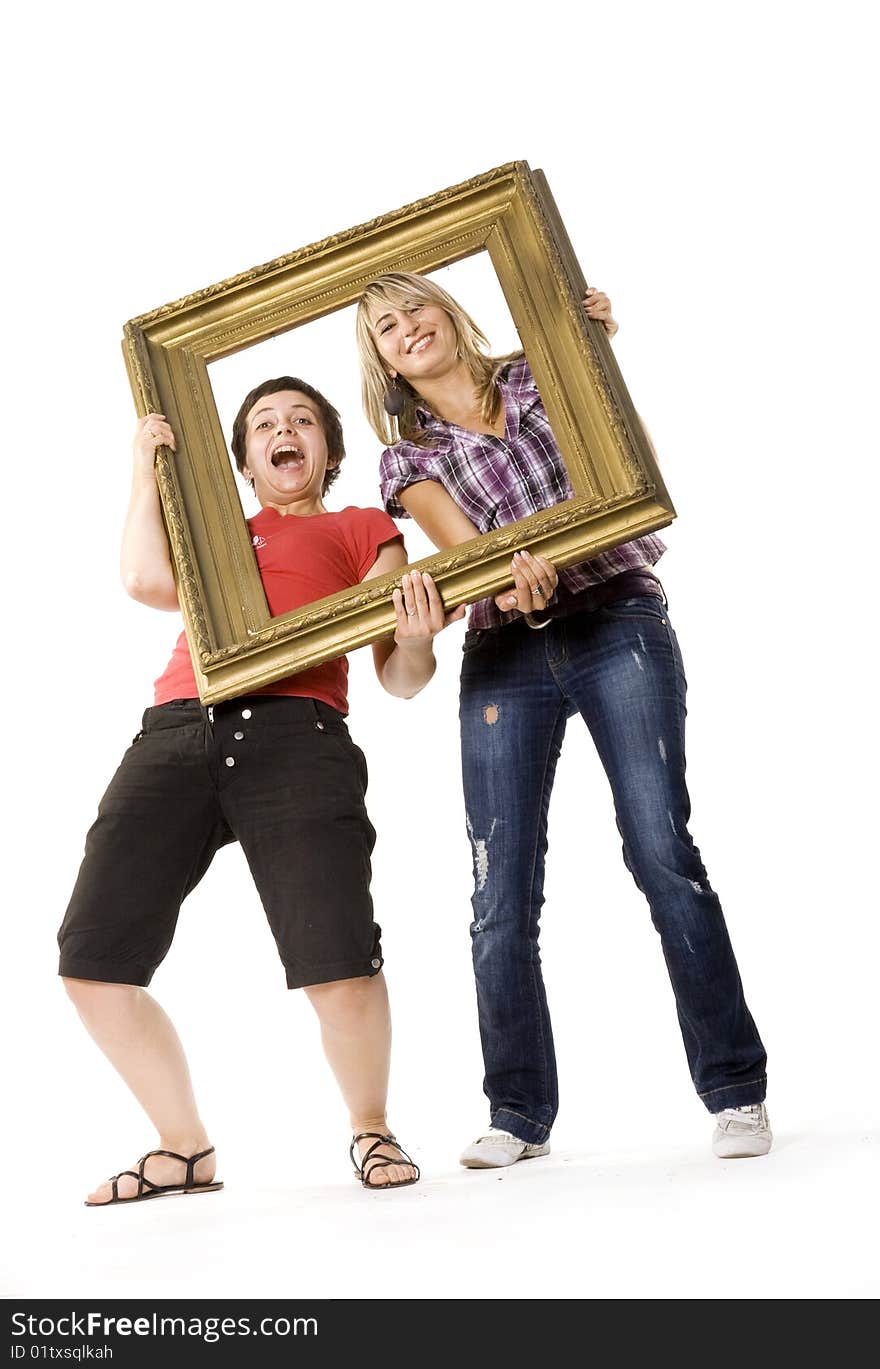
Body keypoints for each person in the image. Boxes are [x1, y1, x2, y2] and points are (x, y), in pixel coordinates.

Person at [355, 272, 771, 1165]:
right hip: (507, 648)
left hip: (617, 614)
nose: (407, 329)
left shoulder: (544, 374)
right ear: (380, 359)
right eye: (386, 327)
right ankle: (518, 1114)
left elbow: (629, 470)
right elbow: (470, 552)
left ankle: (736, 1091)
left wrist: (595, 357)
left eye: (414, 307)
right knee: (499, 889)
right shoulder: (408, 457)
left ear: (448, 310)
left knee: (662, 847)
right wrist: (509, 576)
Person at [58, 374, 463, 1203]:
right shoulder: (218, 536)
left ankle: (371, 1126)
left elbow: (401, 677)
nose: (286, 431)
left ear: (327, 449)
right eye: (266, 424)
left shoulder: (363, 528)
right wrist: (144, 469)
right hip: (176, 729)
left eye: (303, 421)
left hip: (298, 735)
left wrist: (418, 639)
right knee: (91, 959)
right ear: (243, 458)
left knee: (337, 959)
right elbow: (142, 580)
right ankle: (183, 1148)